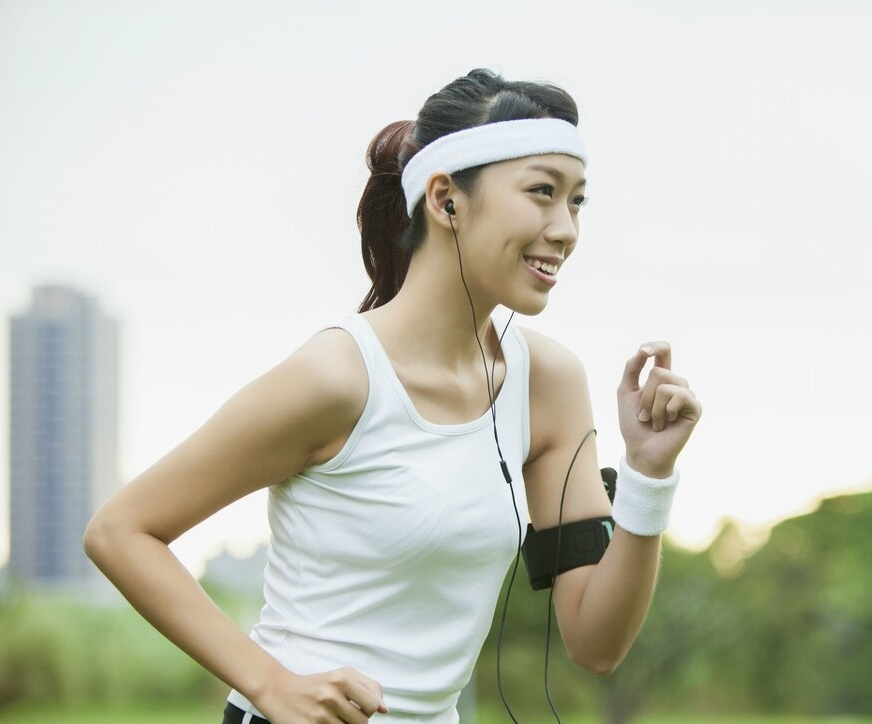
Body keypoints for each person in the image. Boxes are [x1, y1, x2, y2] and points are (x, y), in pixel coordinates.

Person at [84, 68, 701, 724]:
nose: (566, 228)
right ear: (445, 200)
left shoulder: (548, 383)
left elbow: (595, 643)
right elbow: (121, 531)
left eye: (577, 200)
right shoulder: (337, 378)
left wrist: (647, 474)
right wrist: (268, 684)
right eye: (541, 192)